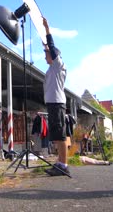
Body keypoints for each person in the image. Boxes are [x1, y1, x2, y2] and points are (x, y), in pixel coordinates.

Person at [41, 17, 69, 176]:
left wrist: (47, 29)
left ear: (53, 56)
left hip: (57, 103)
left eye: (47, 53)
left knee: (60, 135)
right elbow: (49, 47)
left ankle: (64, 165)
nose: (45, 55)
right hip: (53, 103)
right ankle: (59, 162)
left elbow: (51, 46)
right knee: (57, 136)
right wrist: (44, 44)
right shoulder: (52, 68)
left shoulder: (59, 65)